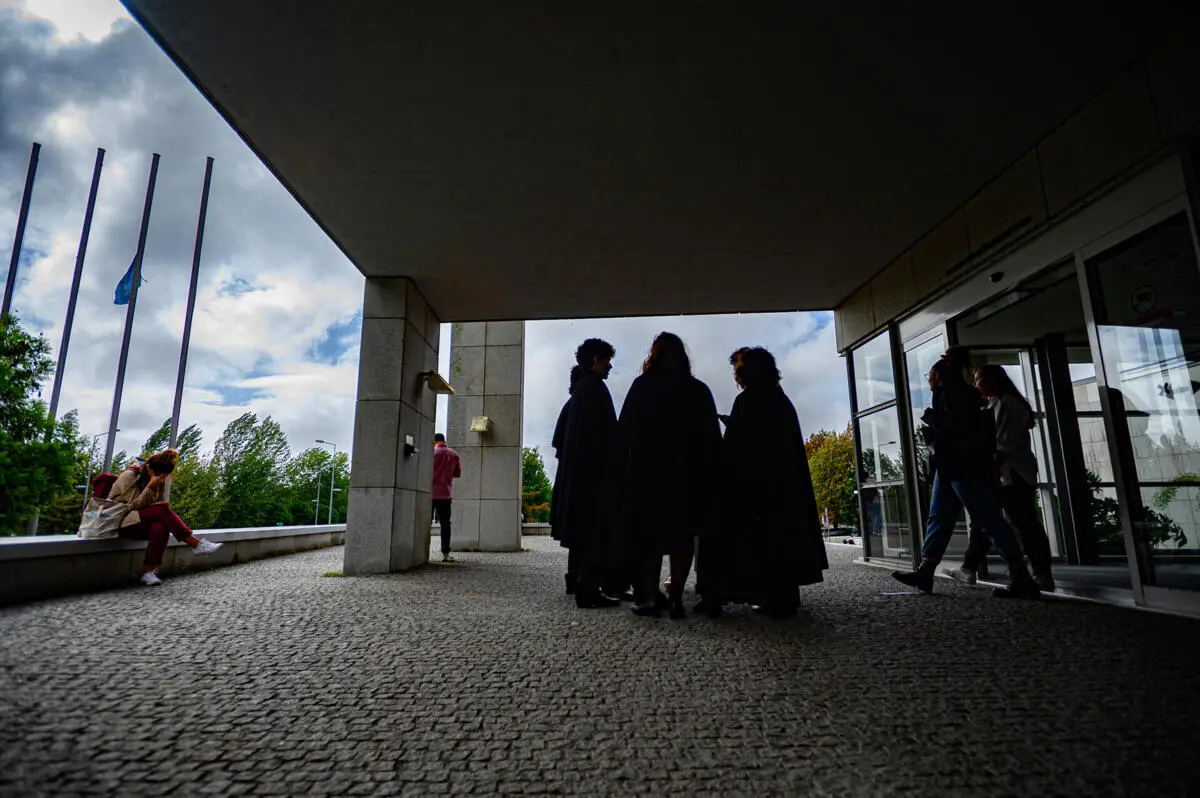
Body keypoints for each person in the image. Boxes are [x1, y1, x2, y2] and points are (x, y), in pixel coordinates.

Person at [893, 350, 1040, 598]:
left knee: (984, 519)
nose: (928, 379)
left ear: (938, 376)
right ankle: (926, 571)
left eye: (929, 374)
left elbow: (956, 429)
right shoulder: (963, 394)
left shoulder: (956, 395)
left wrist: (932, 419)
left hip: (961, 466)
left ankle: (1020, 575)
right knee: (949, 518)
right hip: (956, 466)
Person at [703, 347, 828, 618]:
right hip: (783, 488)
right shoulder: (781, 401)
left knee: (757, 541)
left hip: (753, 488)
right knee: (780, 540)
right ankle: (783, 597)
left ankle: (762, 595)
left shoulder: (746, 401)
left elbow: (737, 449)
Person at [615, 332, 721, 619]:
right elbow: (711, 441)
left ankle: (649, 599)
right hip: (687, 478)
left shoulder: (641, 387)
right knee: (682, 538)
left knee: (648, 540)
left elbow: (624, 435)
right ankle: (676, 598)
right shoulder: (698, 391)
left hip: (647, 478)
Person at [943, 365, 1055, 590]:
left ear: (992, 380)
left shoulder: (1007, 404)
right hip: (1006, 472)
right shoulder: (996, 403)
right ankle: (970, 567)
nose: (976, 384)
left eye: (979, 379)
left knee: (1021, 523)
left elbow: (1004, 443)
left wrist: (988, 464)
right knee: (988, 521)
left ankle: (1041, 574)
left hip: (1012, 473)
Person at [554, 338, 621, 609]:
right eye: (607, 360)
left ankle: (580, 583)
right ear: (596, 360)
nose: (610, 366)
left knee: (582, 534)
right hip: (594, 477)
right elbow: (607, 436)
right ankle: (589, 589)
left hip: (580, 476)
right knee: (594, 533)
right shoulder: (595, 390)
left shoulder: (582, 391)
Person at [106, 449, 223, 586]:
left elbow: (155, 506)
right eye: (160, 475)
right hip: (119, 522)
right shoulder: (129, 476)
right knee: (161, 510)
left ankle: (148, 572)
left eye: (164, 476)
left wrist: (155, 487)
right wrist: (150, 487)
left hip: (138, 523)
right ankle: (196, 544)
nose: (162, 478)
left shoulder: (158, 481)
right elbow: (129, 507)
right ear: (149, 468)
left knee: (160, 527)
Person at [551, 365, 583, 594]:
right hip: (579, 480)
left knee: (577, 537)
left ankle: (574, 577)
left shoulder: (569, 406)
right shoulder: (579, 405)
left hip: (568, 478)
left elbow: (558, 443)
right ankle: (579, 579)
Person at [432, 433, 462, 562]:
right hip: (445, 493)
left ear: (434, 441)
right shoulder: (453, 454)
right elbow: (457, 473)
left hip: (429, 493)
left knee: (424, 522)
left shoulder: (431, 453)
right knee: (445, 524)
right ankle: (445, 553)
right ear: (444, 441)